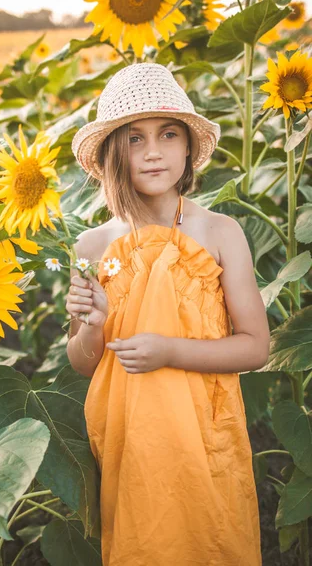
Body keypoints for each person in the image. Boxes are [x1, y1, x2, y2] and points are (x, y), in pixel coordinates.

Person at [66, 62, 270, 566]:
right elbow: (84, 363)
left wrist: (169, 351)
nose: (153, 151)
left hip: (204, 429)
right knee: (147, 540)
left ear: (187, 147)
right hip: (131, 431)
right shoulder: (92, 245)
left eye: (168, 134)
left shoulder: (220, 232)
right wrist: (93, 324)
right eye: (134, 139)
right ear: (113, 152)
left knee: (212, 537)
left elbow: (257, 346)